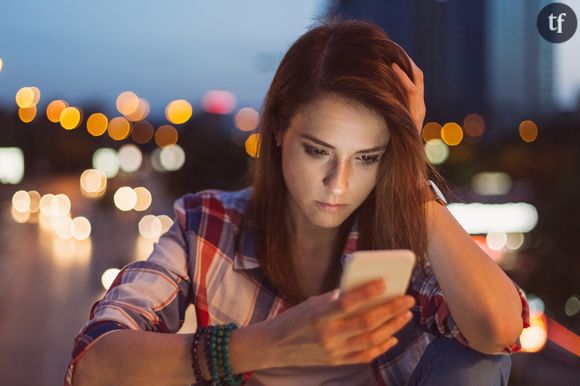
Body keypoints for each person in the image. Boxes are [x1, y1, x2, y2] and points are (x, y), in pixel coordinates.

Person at [65, 16, 530, 386]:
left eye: (367, 157)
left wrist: (410, 177)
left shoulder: (398, 242)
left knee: (476, 358)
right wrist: (268, 344)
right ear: (279, 132)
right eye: (317, 151)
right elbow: (94, 366)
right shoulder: (209, 225)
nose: (339, 184)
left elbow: (499, 332)